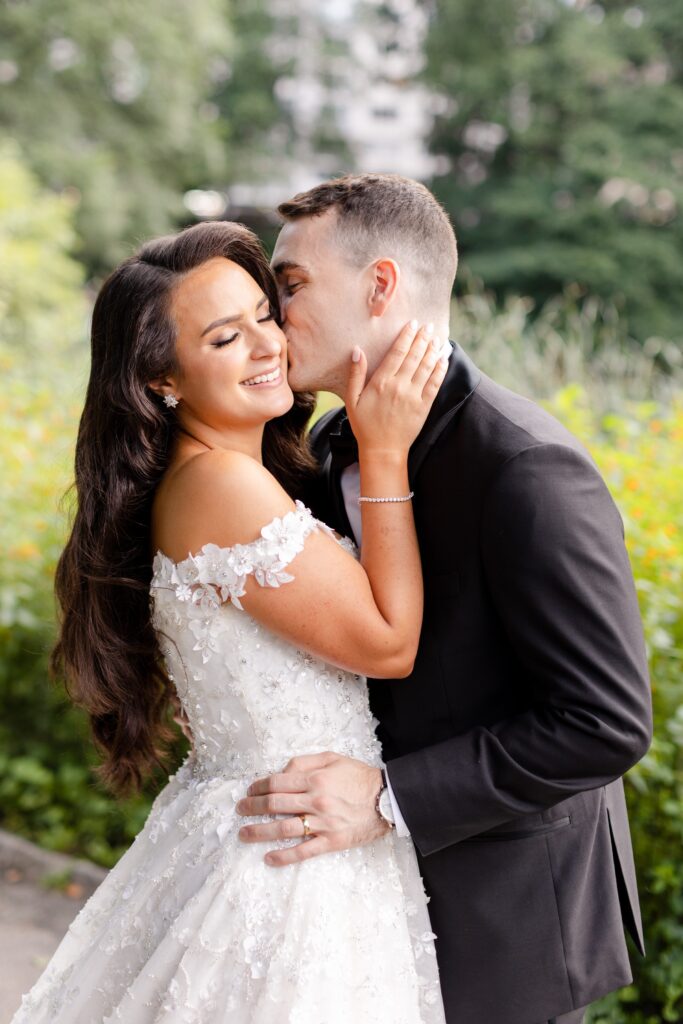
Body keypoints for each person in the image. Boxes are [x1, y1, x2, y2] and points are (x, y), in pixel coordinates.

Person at [233, 173, 654, 1024]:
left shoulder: (525, 466)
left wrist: (387, 797)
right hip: (348, 910)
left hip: (504, 922)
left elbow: (604, 722)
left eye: (291, 284)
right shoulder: (326, 444)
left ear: (380, 286)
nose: (274, 315)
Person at [10, 219, 450, 1023]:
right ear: (161, 380)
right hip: (288, 862)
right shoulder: (220, 486)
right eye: (223, 338)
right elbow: (389, 645)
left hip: (289, 832)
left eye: (263, 314)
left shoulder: (229, 475)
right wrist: (386, 452)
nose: (266, 345)